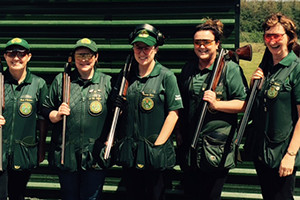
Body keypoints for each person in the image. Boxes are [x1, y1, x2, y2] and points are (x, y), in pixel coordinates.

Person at [176, 19, 248, 200]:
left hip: (216, 150)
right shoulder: (189, 68)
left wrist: (217, 105)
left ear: (217, 43)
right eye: (197, 42)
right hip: (190, 149)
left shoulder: (230, 69)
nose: (201, 46)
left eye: (207, 42)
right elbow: (181, 104)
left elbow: (245, 104)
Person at [115, 24, 183, 200]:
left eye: (147, 48)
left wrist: (158, 146)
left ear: (156, 49)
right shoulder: (125, 77)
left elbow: (174, 113)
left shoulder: (166, 76)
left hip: (155, 153)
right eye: (138, 47)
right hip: (131, 152)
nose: (142, 52)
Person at [42, 38, 112, 200]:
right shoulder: (62, 80)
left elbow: (118, 115)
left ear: (96, 57)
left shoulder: (107, 82)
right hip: (67, 154)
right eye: (79, 55)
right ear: (73, 58)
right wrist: (57, 114)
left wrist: (111, 139)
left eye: (88, 55)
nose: (84, 59)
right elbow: (46, 109)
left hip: (95, 154)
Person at [249, 13, 300, 200]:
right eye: (268, 36)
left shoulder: (296, 68)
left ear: (289, 37)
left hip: (282, 153)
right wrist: (255, 86)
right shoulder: (267, 68)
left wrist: (290, 154)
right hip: (263, 153)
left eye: (278, 36)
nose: (272, 41)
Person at [0, 38, 48, 200]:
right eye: (11, 53)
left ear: (29, 56)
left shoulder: (38, 84)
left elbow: (42, 119)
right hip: (0, 150)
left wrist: (41, 148)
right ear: (5, 57)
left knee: (17, 195)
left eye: (21, 54)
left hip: (24, 151)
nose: (16, 58)